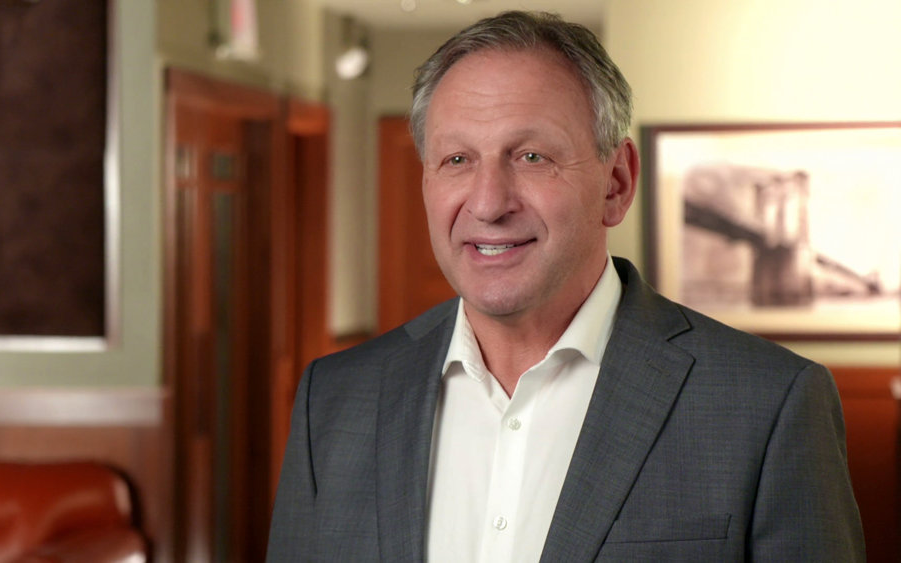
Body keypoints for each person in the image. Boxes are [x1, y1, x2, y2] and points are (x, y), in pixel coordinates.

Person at [267, 10, 864, 562]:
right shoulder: (335, 400)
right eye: (457, 160)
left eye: (531, 157)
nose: (488, 203)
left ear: (616, 183)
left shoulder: (768, 404)